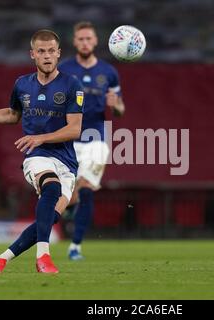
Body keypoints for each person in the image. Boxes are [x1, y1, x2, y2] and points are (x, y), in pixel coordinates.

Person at [0, 29, 83, 273]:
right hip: (37, 157)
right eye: (42, 51)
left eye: (52, 51)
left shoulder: (71, 85)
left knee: (49, 217)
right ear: (33, 55)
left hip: (67, 162)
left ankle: (1, 260)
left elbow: (75, 129)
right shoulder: (22, 85)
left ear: (59, 54)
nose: (47, 56)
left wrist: (41, 137)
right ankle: (43, 258)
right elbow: (12, 114)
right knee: (51, 187)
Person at [59, 21, 125, 260]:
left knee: (86, 189)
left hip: (96, 139)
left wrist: (115, 105)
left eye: (89, 39)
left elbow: (120, 109)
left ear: (95, 41)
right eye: (81, 39)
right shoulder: (64, 70)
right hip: (69, 138)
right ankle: (69, 205)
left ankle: (75, 247)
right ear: (75, 42)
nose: (85, 42)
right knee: (66, 193)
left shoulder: (108, 72)